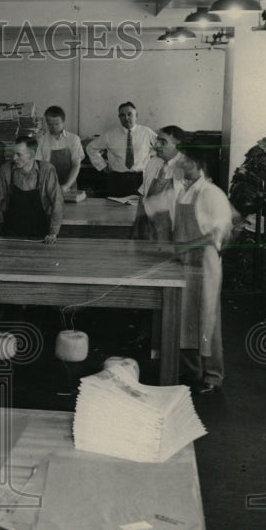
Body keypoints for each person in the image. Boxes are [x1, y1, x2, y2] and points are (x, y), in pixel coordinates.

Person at [143, 137, 234, 394]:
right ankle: (191, 370)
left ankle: (213, 375)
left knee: (207, 319)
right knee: (184, 318)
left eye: (187, 161)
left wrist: (181, 246)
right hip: (182, 264)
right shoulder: (181, 190)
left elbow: (219, 235)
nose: (182, 165)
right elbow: (151, 205)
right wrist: (160, 234)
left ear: (199, 164)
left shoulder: (211, 193)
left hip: (204, 263)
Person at [0, 136, 64, 243]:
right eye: (13, 153)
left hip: (40, 235)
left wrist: (53, 233)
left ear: (31, 155)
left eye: (19, 154)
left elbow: (57, 202)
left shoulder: (46, 170)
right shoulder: (6, 170)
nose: (14, 158)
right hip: (11, 234)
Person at [85, 101, 157, 197]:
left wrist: (152, 164)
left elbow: (162, 148)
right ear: (119, 117)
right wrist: (102, 166)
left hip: (141, 179)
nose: (126, 118)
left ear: (136, 115)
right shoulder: (110, 135)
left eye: (129, 114)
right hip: (117, 179)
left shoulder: (146, 132)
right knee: (115, 209)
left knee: (139, 209)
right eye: (122, 115)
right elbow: (91, 148)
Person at [131, 125, 186, 241]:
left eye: (163, 142)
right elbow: (143, 198)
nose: (157, 145)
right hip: (148, 230)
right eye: (157, 140)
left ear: (177, 145)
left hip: (173, 233)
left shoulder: (187, 167)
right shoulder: (153, 163)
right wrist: (136, 231)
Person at [35, 105, 84, 192]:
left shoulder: (73, 139)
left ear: (63, 122)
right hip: (48, 185)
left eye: (57, 124)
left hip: (70, 185)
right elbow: (39, 166)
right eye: (50, 124)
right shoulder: (42, 140)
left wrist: (66, 186)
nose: (53, 127)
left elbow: (76, 165)